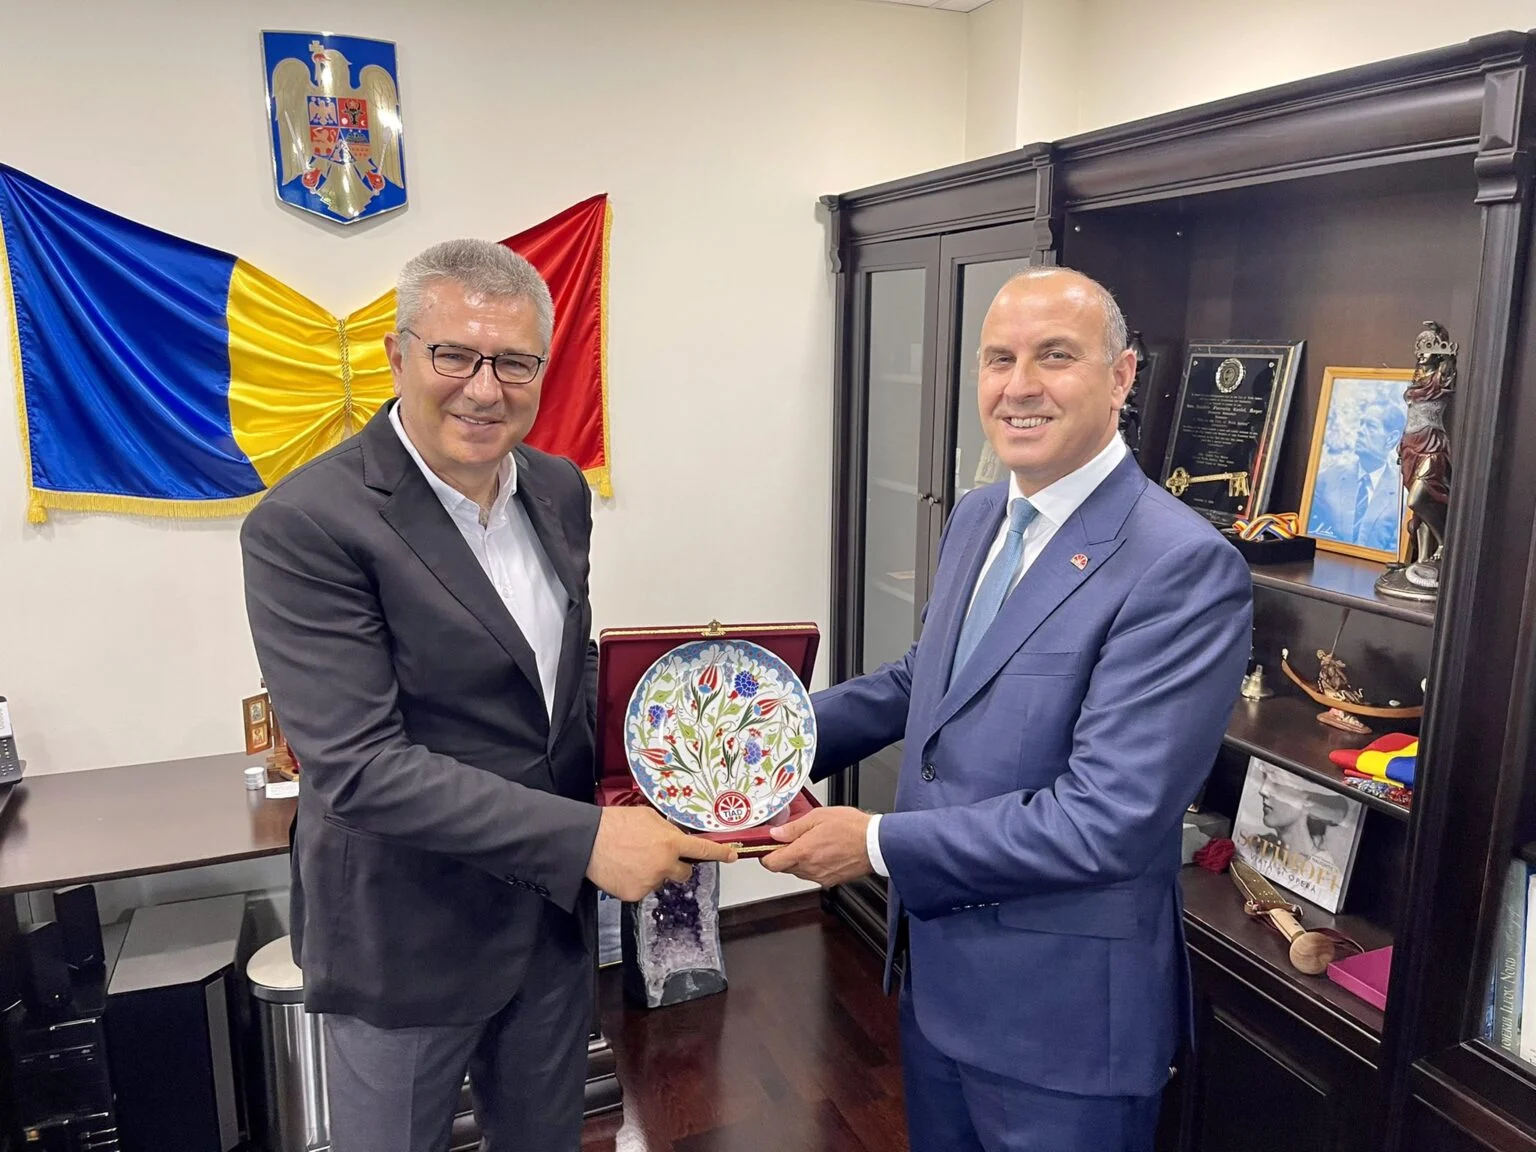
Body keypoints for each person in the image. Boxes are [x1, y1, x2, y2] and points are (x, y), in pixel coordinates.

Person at [241, 239, 734, 1152]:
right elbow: (361, 770)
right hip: (404, 938)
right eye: (454, 355)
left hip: (545, 926)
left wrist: (687, 747)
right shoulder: (307, 523)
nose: (484, 388)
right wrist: (590, 838)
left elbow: (559, 686)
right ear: (396, 356)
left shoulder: (558, 488)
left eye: (513, 362)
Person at [764, 268, 1252, 1152]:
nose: (1019, 386)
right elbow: (925, 682)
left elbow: (1105, 820)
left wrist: (874, 844)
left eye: (1054, 356)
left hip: (1063, 1031)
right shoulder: (981, 514)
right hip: (939, 989)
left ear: (1122, 376)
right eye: (999, 359)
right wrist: (760, 738)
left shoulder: (1181, 566)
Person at [1307, 395, 1406, 554]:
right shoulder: (1326, 481)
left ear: (1391, 438)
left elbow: (1393, 554)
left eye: (1370, 426)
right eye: (1361, 424)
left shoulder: (1402, 498)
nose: (1360, 431)